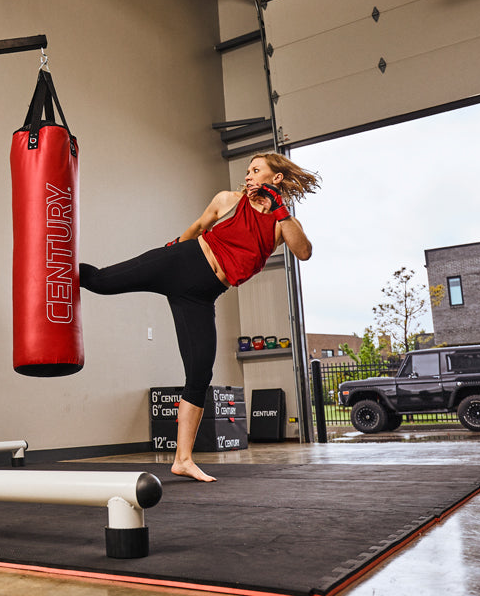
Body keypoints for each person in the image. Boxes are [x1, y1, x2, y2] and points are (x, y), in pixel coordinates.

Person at [79, 152, 318, 482]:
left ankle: (183, 459)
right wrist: (169, 253)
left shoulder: (281, 224)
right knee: (100, 281)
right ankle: (49, 265)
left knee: (199, 372)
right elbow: (195, 229)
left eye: (256, 170)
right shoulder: (228, 200)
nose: (248, 176)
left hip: (201, 295)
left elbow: (303, 252)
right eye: (247, 170)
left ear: (275, 178)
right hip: (180, 262)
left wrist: (280, 208)